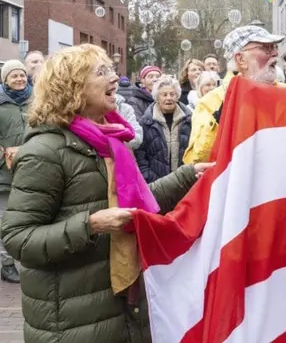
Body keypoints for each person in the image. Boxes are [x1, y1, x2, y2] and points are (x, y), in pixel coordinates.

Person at [0, 44, 213, 343]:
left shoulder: (111, 140)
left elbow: (137, 202)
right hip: (71, 323)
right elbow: (18, 239)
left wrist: (188, 177)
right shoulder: (45, 152)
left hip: (120, 309)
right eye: (102, 72)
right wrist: (90, 225)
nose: (115, 78)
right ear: (72, 86)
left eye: (112, 70)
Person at [183, 25, 286, 164]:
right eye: (266, 48)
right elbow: (196, 161)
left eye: (274, 47)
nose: (275, 53)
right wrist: (220, 120)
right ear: (241, 59)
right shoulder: (210, 103)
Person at [0, 60, 31, 283]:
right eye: (14, 76)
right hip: (4, 173)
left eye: (22, 75)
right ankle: (6, 263)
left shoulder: (35, 101)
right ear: (5, 80)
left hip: (31, 170)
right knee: (4, 220)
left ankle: (27, 260)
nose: (19, 79)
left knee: (27, 218)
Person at [135, 76, 192, 183]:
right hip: (156, 183)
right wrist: (147, 176)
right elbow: (140, 154)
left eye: (172, 94)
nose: (169, 98)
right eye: (164, 95)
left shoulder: (189, 120)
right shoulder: (146, 122)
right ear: (157, 97)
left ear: (177, 96)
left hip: (183, 182)